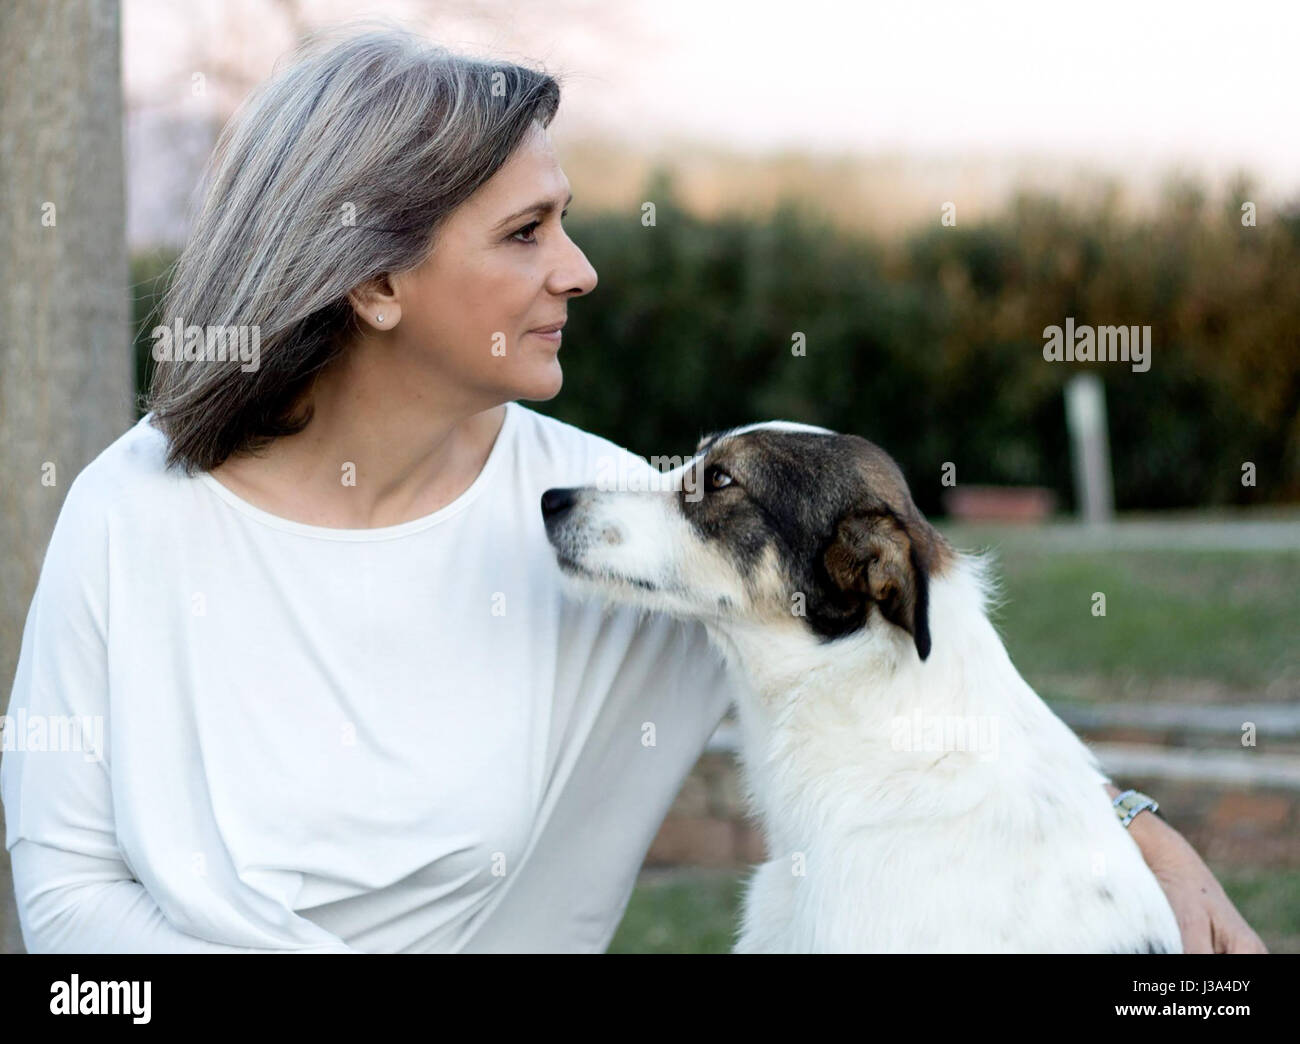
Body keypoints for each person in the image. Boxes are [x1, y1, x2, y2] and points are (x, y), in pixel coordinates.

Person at [0, 27, 1266, 954]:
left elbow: (917, 677)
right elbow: (63, 902)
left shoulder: (611, 526)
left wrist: (1135, 825)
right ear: (373, 283)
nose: (583, 270)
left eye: (567, 220)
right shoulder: (133, 509)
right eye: (524, 233)